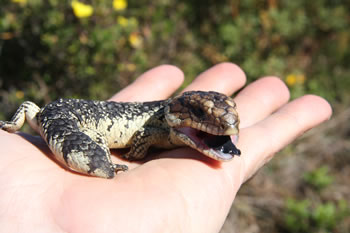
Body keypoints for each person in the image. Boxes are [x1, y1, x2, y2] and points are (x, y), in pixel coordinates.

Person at [0, 63, 332, 232]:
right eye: (200, 116)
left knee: (38, 114)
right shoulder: (158, 123)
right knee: (92, 159)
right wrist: (131, 156)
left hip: (57, 112)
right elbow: (140, 142)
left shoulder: (173, 121)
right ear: (179, 112)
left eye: (228, 120)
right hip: (68, 115)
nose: (227, 127)